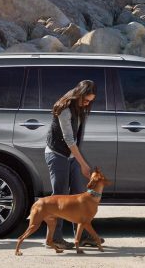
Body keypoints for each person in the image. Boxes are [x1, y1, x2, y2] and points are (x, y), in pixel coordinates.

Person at [44, 80, 102, 249]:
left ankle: (82, 236)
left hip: (70, 156)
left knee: (79, 194)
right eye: (85, 100)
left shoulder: (80, 108)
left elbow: (77, 137)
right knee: (60, 198)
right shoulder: (64, 109)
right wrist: (83, 164)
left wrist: (78, 161)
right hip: (57, 154)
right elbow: (69, 140)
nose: (87, 103)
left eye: (90, 101)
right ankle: (54, 238)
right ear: (79, 94)